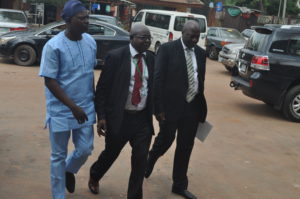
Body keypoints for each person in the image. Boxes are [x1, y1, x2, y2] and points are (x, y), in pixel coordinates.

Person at [88, 24, 155, 199]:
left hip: (141, 119)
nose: (147, 41)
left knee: (141, 160)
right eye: (143, 37)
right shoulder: (116, 57)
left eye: (149, 38)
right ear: (131, 38)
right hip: (120, 117)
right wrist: (101, 116)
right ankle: (95, 174)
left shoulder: (151, 58)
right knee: (111, 153)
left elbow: (154, 87)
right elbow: (102, 89)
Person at [39, 1, 97, 199]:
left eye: (87, 17)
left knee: (85, 149)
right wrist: (72, 107)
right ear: (68, 21)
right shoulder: (53, 46)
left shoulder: (90, 41)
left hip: (86, 106)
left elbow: (90, 75)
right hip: (61, 110)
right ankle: (58, 195)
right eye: (82, 18)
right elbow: (50, 81)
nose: (86, 22)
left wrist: (94, 102)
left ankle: (69, 170)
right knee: (58, 156)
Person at [144, 20, 208, 199]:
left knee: (186, 146)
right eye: (191, 36)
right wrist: (158, 109)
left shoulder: (201, 54)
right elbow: (158, 80)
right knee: (166, 139)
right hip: (170, 108)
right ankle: (151, 159)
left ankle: (179, 185)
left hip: (192, 108)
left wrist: (200, 107)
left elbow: (199, 80)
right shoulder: (167, 49)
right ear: (182, 32)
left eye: (197, 37)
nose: (195, 40)